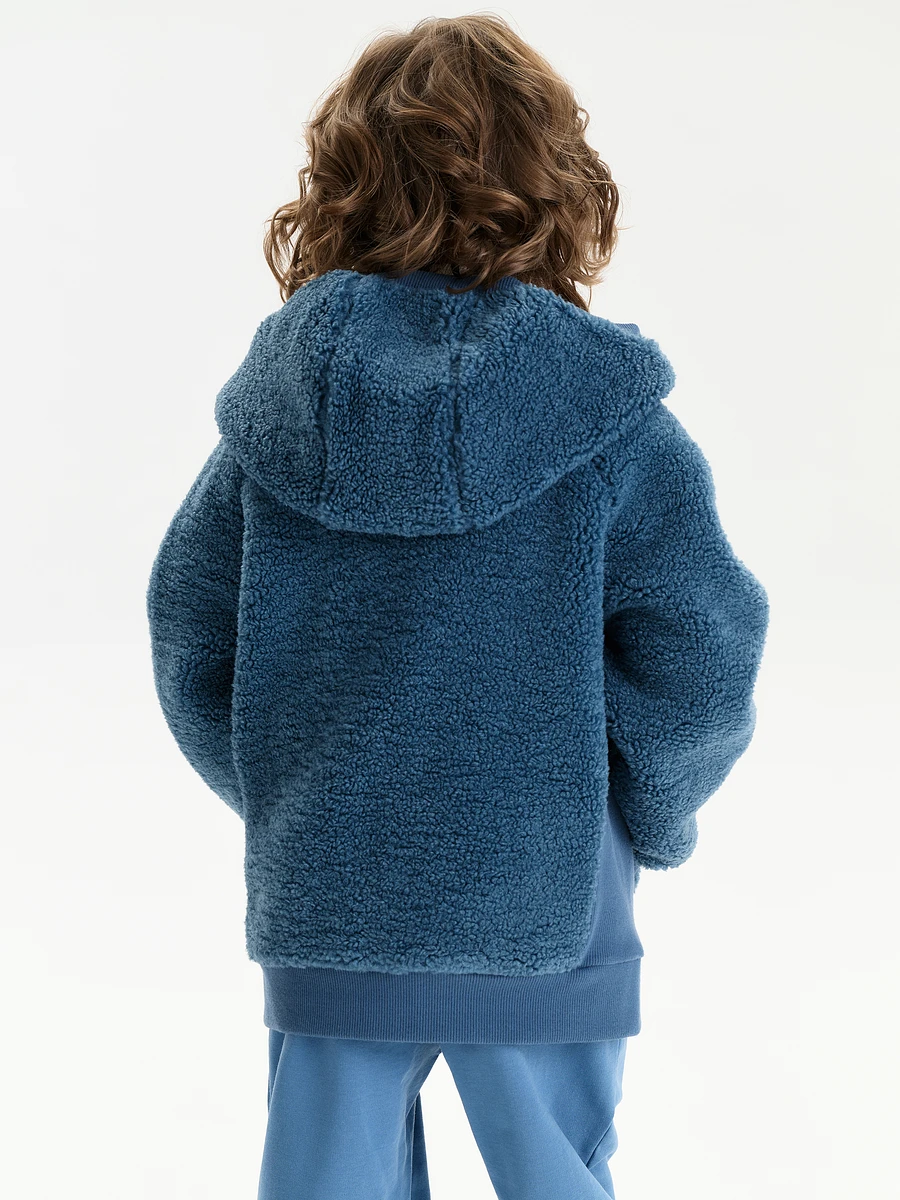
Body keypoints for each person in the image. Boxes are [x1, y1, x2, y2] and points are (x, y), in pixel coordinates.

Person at [146, 14, 770, 1199]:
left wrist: (296, 792)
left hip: (332, 894)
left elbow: (192, 637)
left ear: (339, 185)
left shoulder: (276, 415)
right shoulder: (608, 420)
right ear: (557, 181)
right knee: (558, 1176)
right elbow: (703, 654)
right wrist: (643, 811)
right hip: (548, 893)